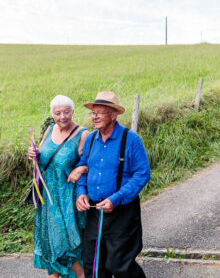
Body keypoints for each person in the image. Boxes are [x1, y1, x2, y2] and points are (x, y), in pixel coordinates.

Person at [76, 91, 150, 278]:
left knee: (119, 265)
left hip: (122, 212)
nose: (94, 117)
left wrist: (116, 199)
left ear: (113, 115)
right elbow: (83, 167)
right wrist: (81, 192)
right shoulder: (91, 138)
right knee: (93, 267)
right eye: (93, 113)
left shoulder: (130, 139)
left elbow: (142, 174)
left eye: (100, 112)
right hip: (94, 211)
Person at [28, 95, 89, 278]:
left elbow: (92, 164)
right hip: (47, 201)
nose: (62, 117)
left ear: (73, 112)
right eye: (58, 113)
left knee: (70, 249)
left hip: (68, 202)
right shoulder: (49, 130)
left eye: (66, 112)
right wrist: (34, 154)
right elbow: (43, 158)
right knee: (50, 248)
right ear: (52, 114)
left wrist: (81, 169)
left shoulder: (83, 134)